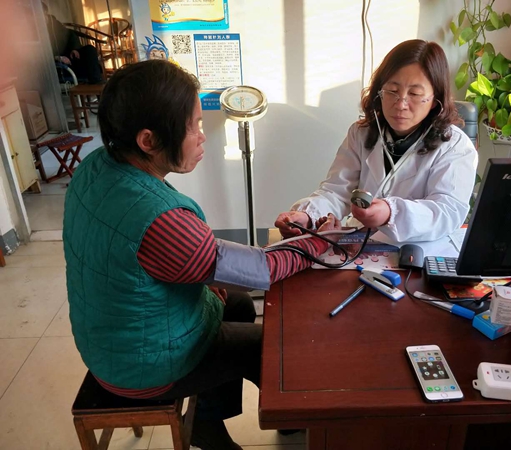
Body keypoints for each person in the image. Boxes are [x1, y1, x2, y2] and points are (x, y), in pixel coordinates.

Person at [62, 59, 340, 450]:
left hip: (108, 341)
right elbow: (260, 270)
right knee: (271, 349)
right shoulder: (160, 218)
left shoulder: (97, 166)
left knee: (238, 304)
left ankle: (208, 419)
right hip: (142, 366)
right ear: (148, 141)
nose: (202, 136)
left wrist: (213, 277)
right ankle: (244, 426)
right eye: (193, 125)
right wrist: (316, 244)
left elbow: (180, 261)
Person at [275, 39, 478, 244]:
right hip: (361, 245)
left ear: (435, 100)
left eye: (415, 94)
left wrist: (391, 213)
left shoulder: (455, 146)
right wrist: (307, 215)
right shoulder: (361, 133)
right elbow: (337, 192)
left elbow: (447, 211)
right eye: (392, 91)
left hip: (421, 250)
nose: (401, 104)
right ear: (379, 91)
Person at [42, 2, 104, 84]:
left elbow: (70, 34)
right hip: (54, 62)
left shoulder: (53, 23)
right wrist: (57, 57)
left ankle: (96, 82)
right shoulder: (32, 30)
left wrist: (74, 49)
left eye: (45, 13)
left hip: (68, 56)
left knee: (90, 49)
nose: (44, 17)